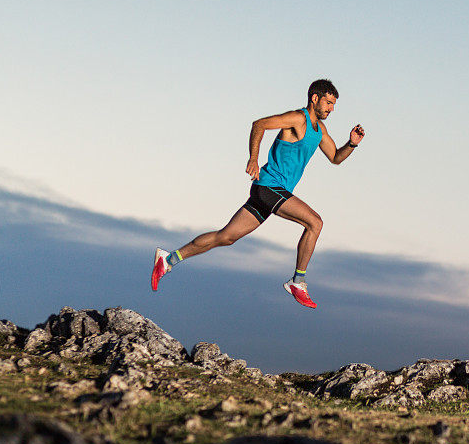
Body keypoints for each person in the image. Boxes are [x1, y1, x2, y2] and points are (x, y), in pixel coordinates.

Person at [150, 79, 364, 308]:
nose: (331, 109)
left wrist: (351, 144)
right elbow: (259, 124)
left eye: (333, 104)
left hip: (272, 192)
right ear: (315, 98)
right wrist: (253, 157)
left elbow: (335, 158)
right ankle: (298, 281)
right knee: (315, 223)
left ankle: (169, 259)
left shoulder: (319, 130)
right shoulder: (297, 118)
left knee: (226, 237)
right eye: (329, 103)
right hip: (270, 187)